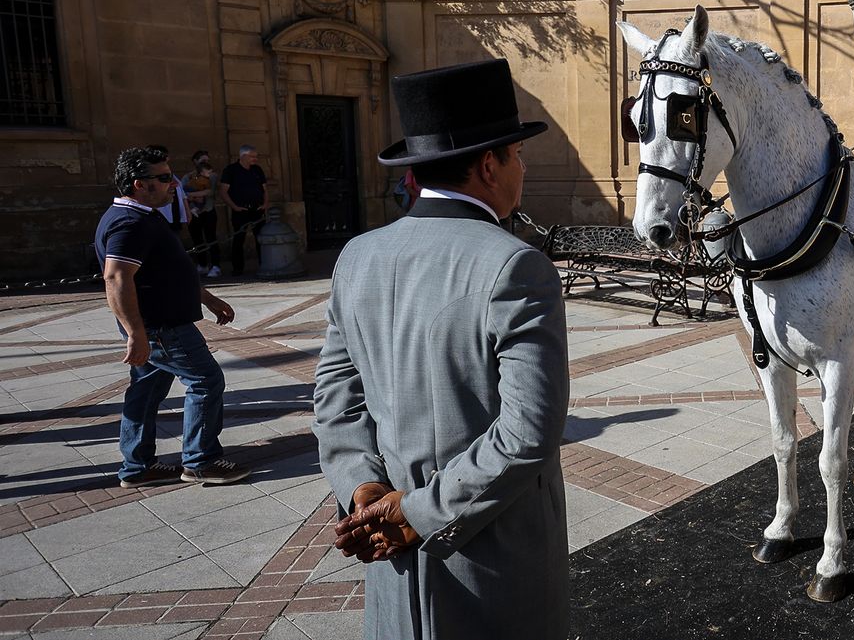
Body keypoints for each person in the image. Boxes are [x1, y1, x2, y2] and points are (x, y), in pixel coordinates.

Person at [314, 58, 569, 640]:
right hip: (490, 555)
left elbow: (335, 402)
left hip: (388, 554)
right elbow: (529, 431)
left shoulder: (356, 256)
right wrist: (416, 512)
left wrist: (362, 489)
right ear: (488, 165)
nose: (521, 169)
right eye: (518, 154)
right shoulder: (515, 264)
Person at [97, 146, 251, 488]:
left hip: (157, 326)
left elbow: (168, 271)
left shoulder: (144, 217)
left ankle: (137, 466)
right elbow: (116, 278)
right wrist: (136, 332)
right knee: (206, 381)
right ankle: (201, 460)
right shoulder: (128, 223)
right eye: (165, 178)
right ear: (139, 184)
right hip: (162, 327)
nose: (174, 184)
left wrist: (208, 299)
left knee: (146, 390)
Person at [218, 145, 268, 277]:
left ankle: (265, 265)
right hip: (241, 210)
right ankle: (238, 268)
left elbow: (264, 189)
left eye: (256, 156)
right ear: (243, 156)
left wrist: (265, 204)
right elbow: (223, 191)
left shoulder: (257, 170)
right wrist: (234, 207)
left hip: (257, 209)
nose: (255, 159)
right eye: (252, 156)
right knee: (239, 239)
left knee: (261, 239)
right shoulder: (231, 170)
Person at [184, 151, 221, 278]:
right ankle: (202, 265)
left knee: (211, 238)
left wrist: (192, 195)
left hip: (208, 211)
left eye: (207, 160)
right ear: (195, 161)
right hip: (194, 213)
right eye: (202, 160)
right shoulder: (188, 177)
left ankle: (216, 265)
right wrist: (192, 198)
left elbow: (210, 191)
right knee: (197, 239)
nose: (206, 163)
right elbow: (183, 193)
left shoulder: (212, 176)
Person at [148, 145, 189, 235]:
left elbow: (182, 194)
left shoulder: (170, 174)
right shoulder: (150, 175)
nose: (167, 158)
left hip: (174, 214)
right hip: (161, 215)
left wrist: (187, 212)